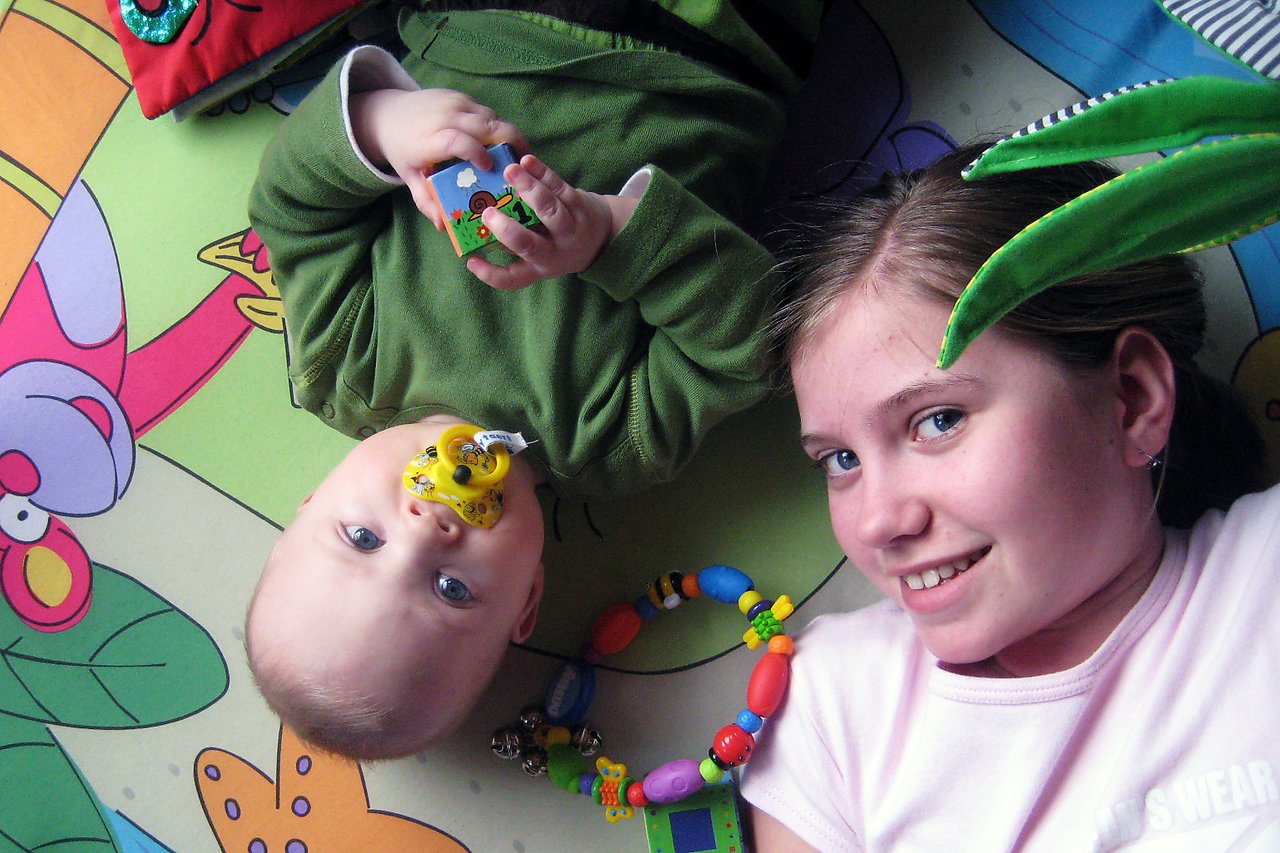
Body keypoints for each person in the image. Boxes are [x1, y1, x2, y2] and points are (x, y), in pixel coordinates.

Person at [244, 1, 826, 760]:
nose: (426, 528)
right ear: (527, 600)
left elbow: (289, 206)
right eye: (452, 589)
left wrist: (386, 125)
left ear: (314, 499)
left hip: (495, 22)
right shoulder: (612, 445)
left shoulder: (340, 361)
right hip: (709, 57)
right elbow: (749, 337)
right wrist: (607, 236)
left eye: (362, 536)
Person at [740, 143, 1277, 851]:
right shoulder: (828, 707)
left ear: (1132, 399)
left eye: (938, 420)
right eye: (840, 460)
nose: (878, 521)